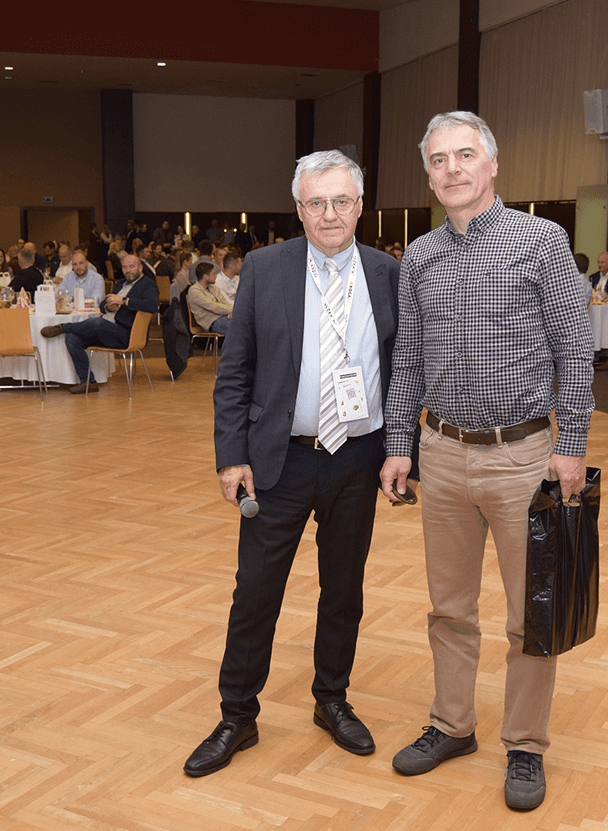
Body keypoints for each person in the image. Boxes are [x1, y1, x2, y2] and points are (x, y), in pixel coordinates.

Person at [379, 111, 594, 812]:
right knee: (449, 608)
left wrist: (571, 443)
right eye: (438, 159)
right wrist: (399, 444)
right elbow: (408, 358)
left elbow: (574, 350)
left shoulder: (541, 241)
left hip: (524, 457)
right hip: (441, 454)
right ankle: (452, 725)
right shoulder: (419, 256)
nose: (452, 169)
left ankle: (525, 743)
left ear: (492, 164)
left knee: (531, 613)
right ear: (428, 174)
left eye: (465, 155)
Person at [184, 149, 407, 778]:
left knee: (344, 590)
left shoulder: (388, 272)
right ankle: (237, 715)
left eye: (341, 201)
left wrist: (401, 449)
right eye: (316, 202)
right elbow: (235, 372)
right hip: (278, 459)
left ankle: (331, 699)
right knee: (255, 592)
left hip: (357, 458)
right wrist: (231, 457)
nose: (329, 214)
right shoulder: (266, 267)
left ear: (359, 205)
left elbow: (405, 370)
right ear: (299, 208)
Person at [40, 253, 159, 394]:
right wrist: (108, 307)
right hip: (107, 330)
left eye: (131, 267)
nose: (128, 270)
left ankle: (63, 327)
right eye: (125, 267)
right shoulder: (121, 283)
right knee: (72, 338)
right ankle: (88, 382)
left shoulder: (148, 284)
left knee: (97, 322)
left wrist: (124, 301)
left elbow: (152, 305)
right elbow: (102, 305)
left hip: (126, 333)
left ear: (140, 268)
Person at [186, 262, 232, 334]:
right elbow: (214, 307)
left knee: (245, 323)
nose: (216, 276)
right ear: (206, 276)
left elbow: (225, 303)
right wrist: (233, 311)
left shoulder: (214, 288)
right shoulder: (194, 291)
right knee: (239, 327)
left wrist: (232, 312)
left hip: (225, 317)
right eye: (213, 274)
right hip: (212, 322)